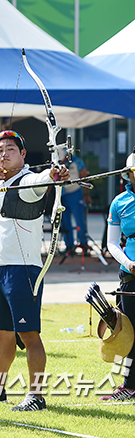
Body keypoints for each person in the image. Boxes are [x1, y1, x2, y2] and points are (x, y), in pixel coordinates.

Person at [0, 130, 69, 411]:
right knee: (2, 333)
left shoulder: (29, 181)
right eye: (0, 149)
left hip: (24, 270)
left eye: (11, 149)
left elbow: (43, 178)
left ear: (23, 155)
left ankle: (36, 395)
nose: (4, 153)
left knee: (29, 335)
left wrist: (54, 174)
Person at [102, 148, 135, 401]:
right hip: (130, 274)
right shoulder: (119, 202)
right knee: (130, 331)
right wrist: (129, 263)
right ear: (128, 174)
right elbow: (112, 243)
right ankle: (129, 385)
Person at [60, 152, 90, 253]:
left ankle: (83, 244)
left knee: (80, 220)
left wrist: (86, 195)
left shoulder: (77, 162)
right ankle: (69, 246)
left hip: (75, 193)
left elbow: (84, 178)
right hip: (63, 195)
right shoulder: (58, 163)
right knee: (65, 221)